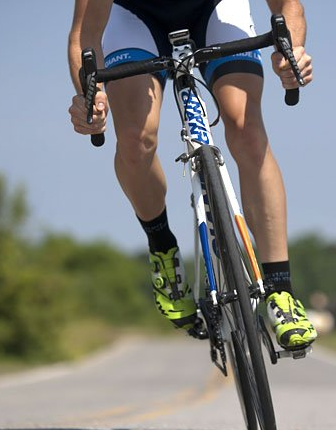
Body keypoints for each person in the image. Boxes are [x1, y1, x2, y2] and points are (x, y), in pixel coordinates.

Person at [68, 0, 316, 349]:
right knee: (137, 140)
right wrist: (87, 98)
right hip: (135, 16)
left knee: (246, 128)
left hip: (216, 7)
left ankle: (281, 292)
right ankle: (163, 249)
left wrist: (291, 50)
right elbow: (85, 34)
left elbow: (288, 5)